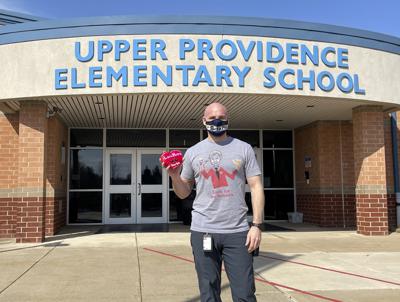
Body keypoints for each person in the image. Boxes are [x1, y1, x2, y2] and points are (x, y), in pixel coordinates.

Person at [162, 102, 265, 302]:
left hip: (237, 233)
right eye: (211, 118)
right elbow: (183, 193)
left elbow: (256, 186)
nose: (217, 121)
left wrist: (257, 225)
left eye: (221, 117)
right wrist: (174, 176)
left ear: (228, 120)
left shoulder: (243, 149)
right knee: (209, 294)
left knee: (245, 293)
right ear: (204, 121)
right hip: (204, 231)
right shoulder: (193, 152)